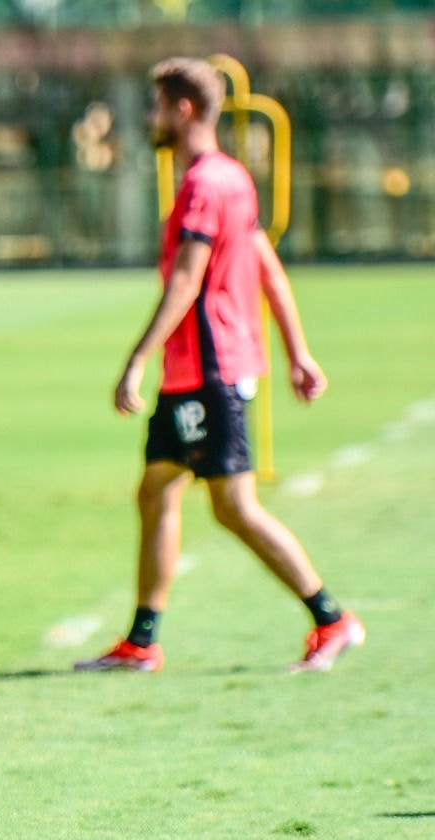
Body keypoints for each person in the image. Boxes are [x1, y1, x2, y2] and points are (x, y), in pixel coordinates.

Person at [76, 56, 363, 676]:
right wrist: (297, 352)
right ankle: (142, 643)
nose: (149, 118)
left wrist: (135, 359)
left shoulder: (205, 185)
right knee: (156, 490)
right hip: (196, 375)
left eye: (155, 106)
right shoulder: (231, 177)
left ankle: (332, 618)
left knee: (233, 506)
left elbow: (187, 281)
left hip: (210, 372)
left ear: (182, 110)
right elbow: (268, 268)